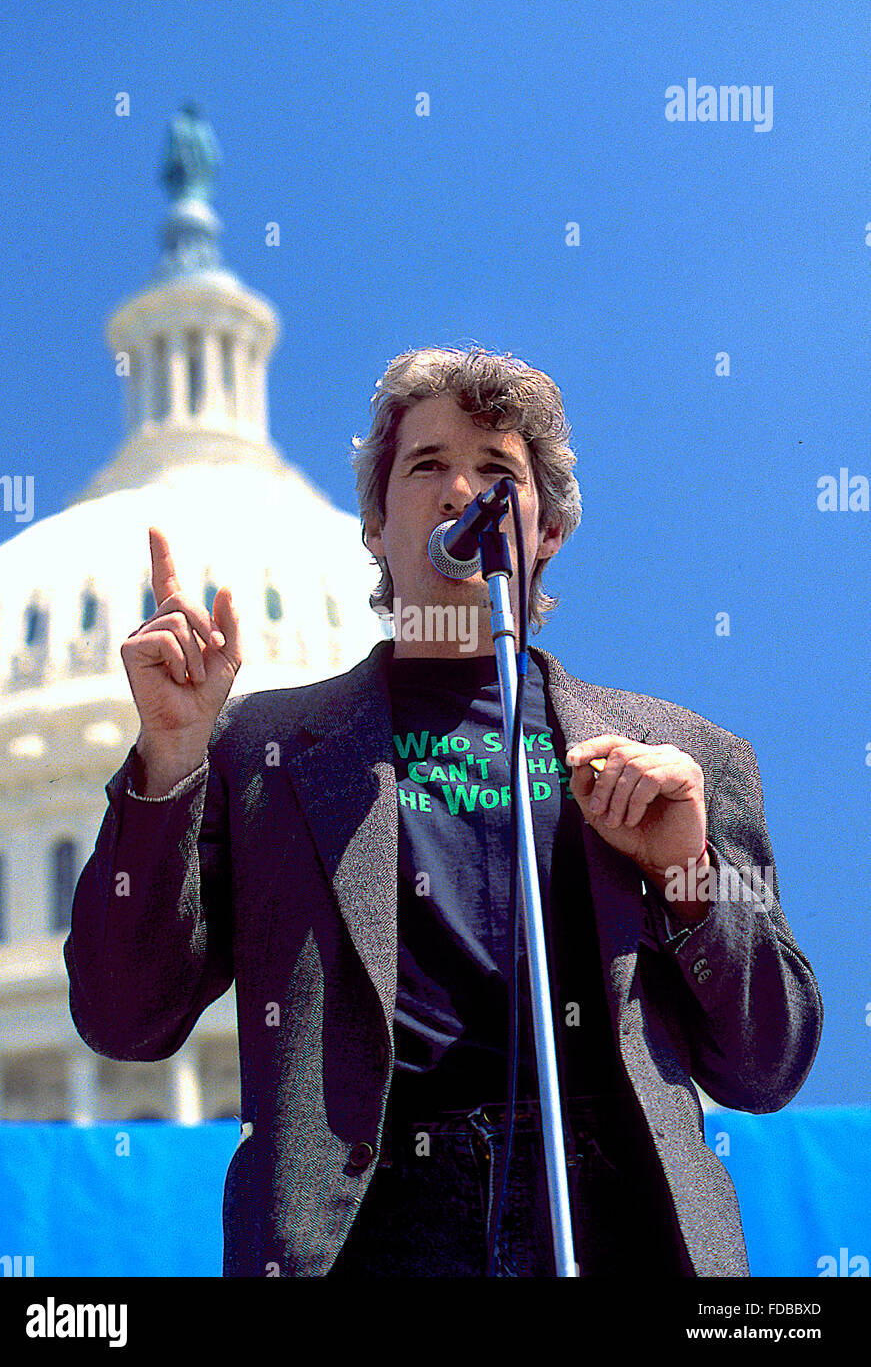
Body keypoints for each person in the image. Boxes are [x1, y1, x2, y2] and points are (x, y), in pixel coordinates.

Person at [64, 345, 823, 1277]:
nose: (464, 490)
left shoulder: (685, 757)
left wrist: (687, 875)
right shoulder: (258, 749)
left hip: (616, 1218)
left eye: (499, 470)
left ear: (546, 531)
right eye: (426, 465)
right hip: (369, 1229)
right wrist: (170, 758)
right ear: (376, 525)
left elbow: (768, 1062)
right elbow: (125, 1018)